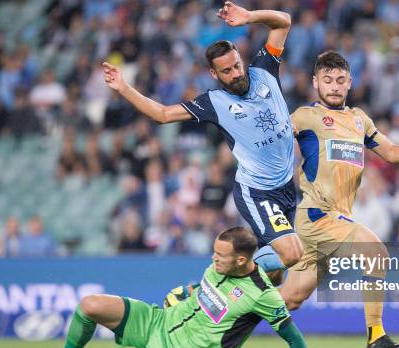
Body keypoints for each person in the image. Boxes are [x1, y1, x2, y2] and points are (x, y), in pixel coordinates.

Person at [103, 2, 303, 285]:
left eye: (237, 65)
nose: (235, 74)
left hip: (286, 187)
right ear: (214, 74)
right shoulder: (214, 102)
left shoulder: (265, 70)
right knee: (293, 253)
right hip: (258, 191)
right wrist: (124, 87)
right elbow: (161, 114)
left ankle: (227, 302)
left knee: (276, 275)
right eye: (227, 71)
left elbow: (283, 21)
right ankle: (210, 283)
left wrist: (249, 17)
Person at [283, 51, 399, 348]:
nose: (334, 86)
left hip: (336, 220)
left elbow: (390, 151)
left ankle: (213, 307)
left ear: (350, 83)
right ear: (315, 83)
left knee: (289, 299)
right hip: (317, 214)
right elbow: (274, 138)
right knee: (376, 251)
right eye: (327, 80)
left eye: (340, 80)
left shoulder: (359, 119)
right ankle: (376, 334)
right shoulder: (305, 117)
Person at [22, 227, 311, 348]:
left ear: (239, 260)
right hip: (158, 320)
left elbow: (294, 338)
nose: (213, 259)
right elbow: (210, 287)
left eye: (219, 256)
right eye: (214, 252)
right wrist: (188, 291)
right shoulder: (221, 264)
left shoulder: (262, 295)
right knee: (90, 304)